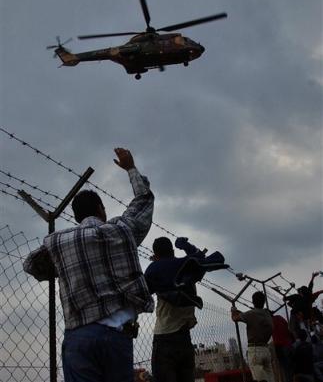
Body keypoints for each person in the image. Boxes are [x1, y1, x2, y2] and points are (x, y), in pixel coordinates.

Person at [23, 148, 154, 382]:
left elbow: (32, 265)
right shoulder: (121, 231)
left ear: (75, 217)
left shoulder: (58, 243)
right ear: (101, 209)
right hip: (117, 334)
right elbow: (143, 202)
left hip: (78, 337)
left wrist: (63, 262)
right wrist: (131, 168)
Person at [144, 237, 226, 382]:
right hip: (185, 337)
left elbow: (143, 292)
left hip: (165, 335)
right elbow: (199, 255)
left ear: (155, 255)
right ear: (173, 250)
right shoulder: (188, 265)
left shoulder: (154, 269)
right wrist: (185, 245)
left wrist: (157, 263)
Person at [231, 291, 275, 382]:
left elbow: (235, 318)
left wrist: (233, 310)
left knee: (259, 380)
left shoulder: (251, 314)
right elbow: (251, 316)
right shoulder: (267, 314)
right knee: (270, 379)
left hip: (255, 350)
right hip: (266, 349)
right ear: (264, 302)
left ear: (253, 301)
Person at [271, 313, 294, 382]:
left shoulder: (270, 321)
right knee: (292, 368)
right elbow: (287, 327)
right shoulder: (280, 317)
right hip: (289, 345)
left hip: (280, 347)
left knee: (286, 370)